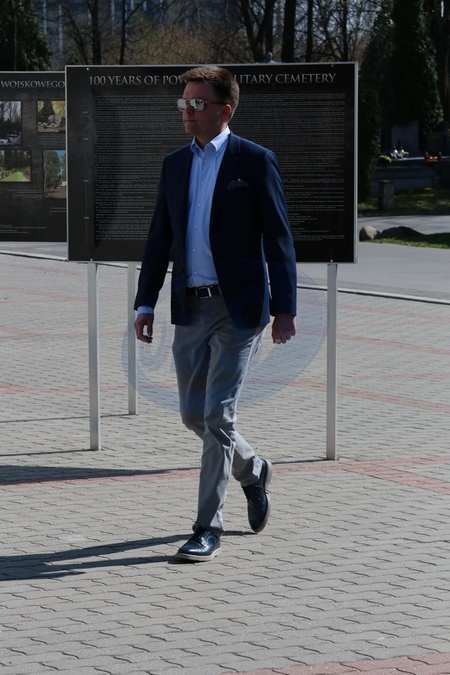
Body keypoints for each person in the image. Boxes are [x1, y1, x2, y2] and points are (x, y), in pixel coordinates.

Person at [134, 65, 297, 562]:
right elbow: (159, 238)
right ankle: (254, 469)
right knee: (193, 415)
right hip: (190, 305)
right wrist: (145, 302)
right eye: (183, 103)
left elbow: (279, 238)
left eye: (196, 103)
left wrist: (285, 309)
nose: (186, 111)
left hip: (238, 309)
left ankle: (208, 527)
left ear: (224, 110)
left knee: (217, 415)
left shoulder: (255, 161)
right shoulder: (174, 164)